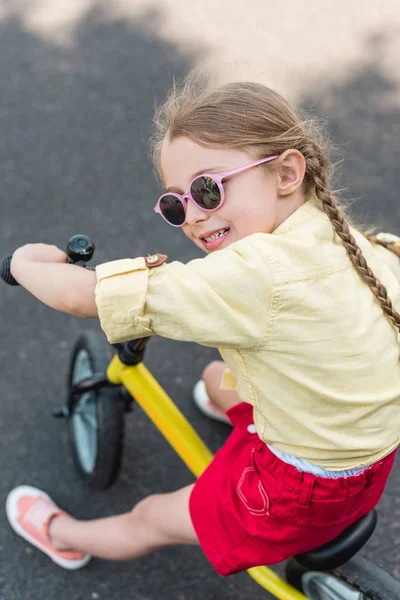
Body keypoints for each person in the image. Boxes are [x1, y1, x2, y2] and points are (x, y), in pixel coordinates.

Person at [5, 75, 400, 576]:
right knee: (217, 379)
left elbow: (84, 297)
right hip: (365, 454)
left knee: (151, 518)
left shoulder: (255, 274)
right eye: (176, 203)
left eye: (207, 189)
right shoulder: (350, 239)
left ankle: (62, 535)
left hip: (293, 492)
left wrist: (24, 263)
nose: (191, 216)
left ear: (285, 173)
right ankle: (239, 422)